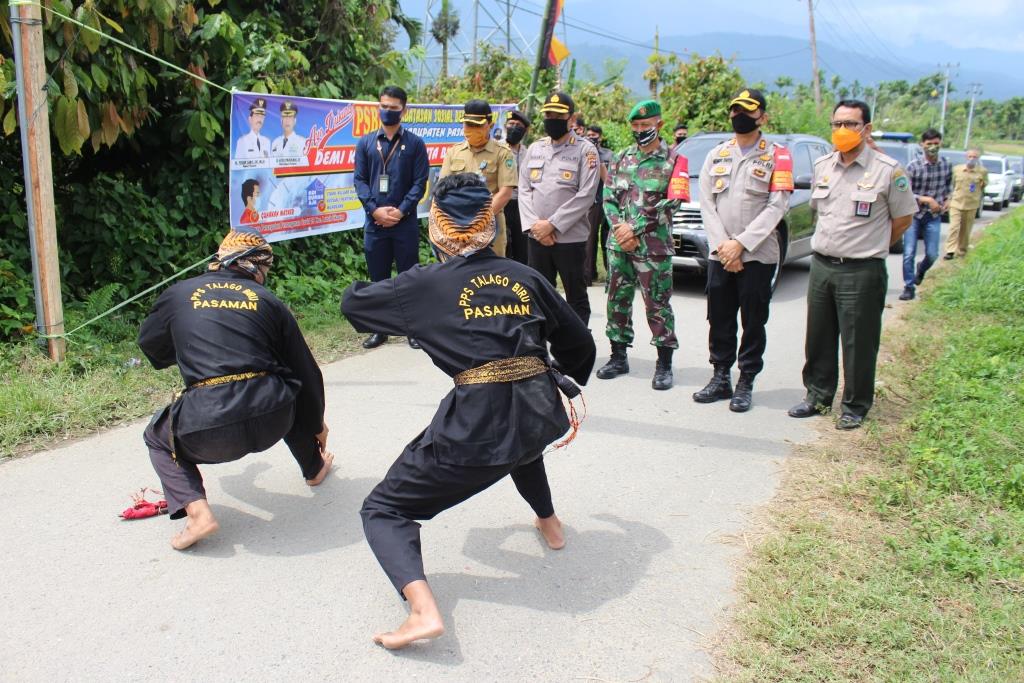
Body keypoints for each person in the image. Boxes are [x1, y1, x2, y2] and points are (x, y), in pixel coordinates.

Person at [341, 172, 596, 650]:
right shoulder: (526, 275)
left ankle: (422, 612)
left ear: (435, 225)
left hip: (478, 423)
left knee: (383, 508)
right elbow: (580, 345)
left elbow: (354, 305)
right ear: (491, 222)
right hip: (539, 410)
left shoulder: (421, 285)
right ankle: (550, 525)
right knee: (520, 446)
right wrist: (556, 371)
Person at [137, 227, 334, 550]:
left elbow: (152, 347)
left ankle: (198, 512)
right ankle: (313, 467)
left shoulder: (178, 294)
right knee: (286, 386)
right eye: (266, 270)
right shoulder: (269, 301)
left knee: (157, 437)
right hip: (273, 419)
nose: (265, 277)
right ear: (253, 265)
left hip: (208, 428)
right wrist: (317, 425)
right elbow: (305, 371)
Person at [788, 100, 917, 430]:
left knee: (859, 342)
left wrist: (870, 246)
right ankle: (817, 396)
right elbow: (820, 213)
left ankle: (855, 405)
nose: (842, 131)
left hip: (861, 270)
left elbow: (902, 219)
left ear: (866, 129)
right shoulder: (823, 166)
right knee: (818, 337)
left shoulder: (888, 170)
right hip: (822, 266)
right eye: (837, 124)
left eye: (850, 124)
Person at [694, 89, 792, 412]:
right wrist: (725, 246)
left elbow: (777, 206)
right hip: (721, 254)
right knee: (719, 316)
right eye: (736, 109)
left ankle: (745, 380)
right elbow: (706, 203)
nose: (740, 115)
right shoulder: (716, 154)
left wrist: (742, 244)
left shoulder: (779, 156)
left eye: (748, 111)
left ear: (762, 116)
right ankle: (721, 376)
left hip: (758, 255)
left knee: (753, 320)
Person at [598, 99, 681, 390]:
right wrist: (620, 228)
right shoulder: (621, 158)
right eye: (635, 125)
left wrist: (634, 228)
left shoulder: (674, 160)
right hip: (619, 246)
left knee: (657, 304)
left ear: (659, 124)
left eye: (646, 125)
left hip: (653, 248)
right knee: (617, 300)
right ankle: (618, 357)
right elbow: (608, 197)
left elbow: (672, 203)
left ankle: (664, 364)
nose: (640, 130)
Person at [353, 85, 430, 350]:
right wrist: (374, 209)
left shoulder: (416, 144)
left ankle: (413, 330)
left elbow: (420, 183)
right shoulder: (365, 143)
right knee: (379, 279)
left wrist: (401, 210)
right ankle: (380, 330)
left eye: (393, 108)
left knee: (409, 277)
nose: (387, 111)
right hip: (374, 223)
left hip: (404, 223)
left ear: (404, 110)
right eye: (383, 106)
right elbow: (360, 181)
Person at [518, 91, 600, 325]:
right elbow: (524, 189)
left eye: (558, 115)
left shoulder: (586, 150)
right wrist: (535, 226)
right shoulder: (535, 148)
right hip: (537, 238)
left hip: (569, 239)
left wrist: (552, 224)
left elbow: (586, 194)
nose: (552, 119)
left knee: (575, 296)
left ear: (571, 119)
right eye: (548, 114)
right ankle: (541, 350)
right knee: (538, 295)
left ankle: (577, 352)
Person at [440, 99, 518, 257]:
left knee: (491, 276)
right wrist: (458, 223)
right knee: (459, 275)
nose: (472, 129)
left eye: (477, 125)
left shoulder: (502, 153)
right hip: (457, 226)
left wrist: (478, 221)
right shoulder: (454, 152)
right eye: (468, 125)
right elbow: (443, 190)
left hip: (491, 226)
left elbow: (505, 193)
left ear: (490, 124)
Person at [899, 128, 952, 301]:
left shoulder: (946, 165)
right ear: (922, 145)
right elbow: (904, 192)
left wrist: (948, 200)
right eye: (929, 144)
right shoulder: (913, 167)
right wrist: (925, 199)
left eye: (936, 144)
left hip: (933, 217)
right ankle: (909, 286)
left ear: (940, 144)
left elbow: (948, 188)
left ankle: (920, 270)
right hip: (913, 215)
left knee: (932, 254)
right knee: (908, 252)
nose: (933, 147)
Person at [584, 124, 615, 285]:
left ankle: (611, 273)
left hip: (608, 201)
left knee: (607, 238)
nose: (591, 137)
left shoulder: (609, 155)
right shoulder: (584, 152)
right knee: (590, 239)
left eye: (594, 135)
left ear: (600, 137)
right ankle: (588, 275)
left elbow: (610, 178)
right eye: (589, 134)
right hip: (592, 202)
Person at [945, 147, 987, 259]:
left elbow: (983, 186)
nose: (972, 159)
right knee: (954, 227)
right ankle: (950, 251)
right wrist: (948, 199)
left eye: (974, 157)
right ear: (966, 157)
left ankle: (962, 251)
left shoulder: (982, 172)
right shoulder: (957, 169)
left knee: (965, 229)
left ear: (978, 158)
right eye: (970, 156)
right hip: (956, 203)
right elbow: (951, 185)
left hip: (971, 205)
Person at [502, 109, 532, 265]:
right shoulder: (498, 149)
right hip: (502, 203)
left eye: (518, 125)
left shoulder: (529, 153)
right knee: (504, 246)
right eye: (511, 124)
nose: (513, 127)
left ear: (525, 130)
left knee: (523, 247)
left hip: (522, 206)